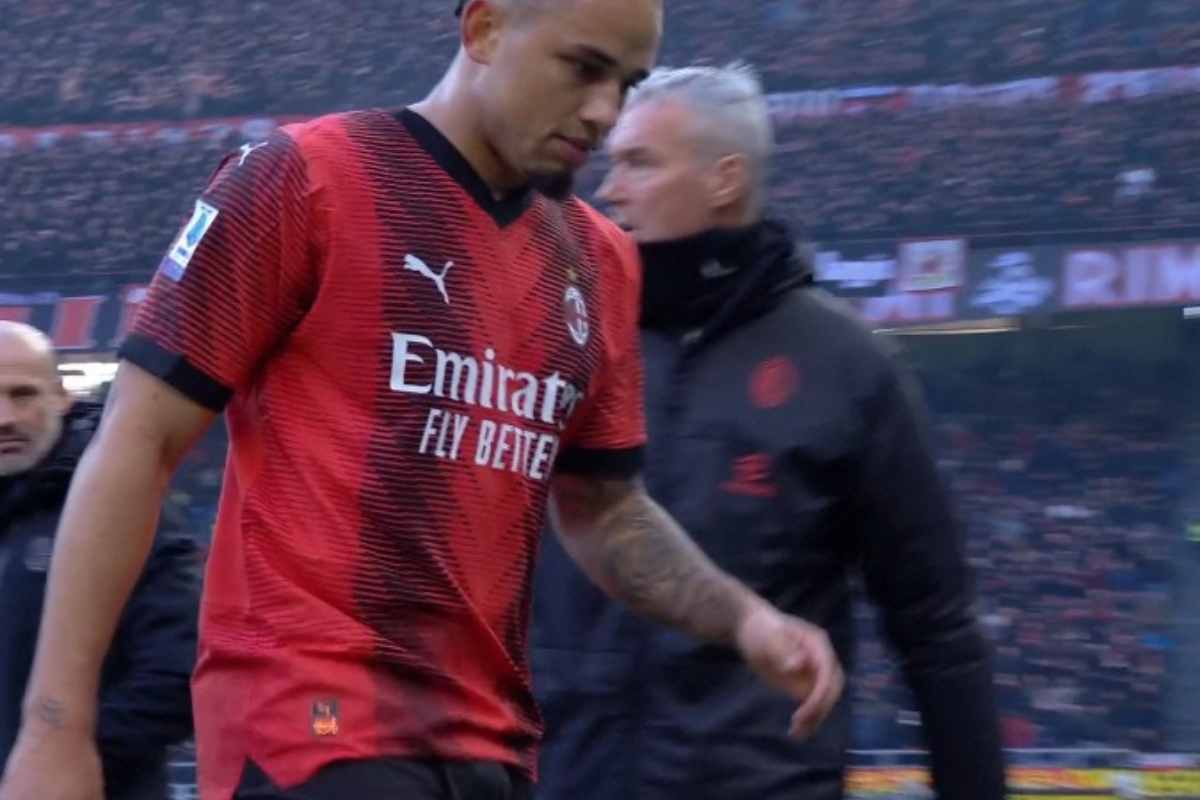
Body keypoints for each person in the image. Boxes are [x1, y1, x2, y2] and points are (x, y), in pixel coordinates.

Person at [0, 5, 844, 800]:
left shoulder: (599, 263)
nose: (603, 113)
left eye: (625, 83)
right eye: (583, 68)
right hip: (311, 725)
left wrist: (743, 618)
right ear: (484, 27)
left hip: (491, 744)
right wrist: (54, 726)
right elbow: (137, 440)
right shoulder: (301, 180)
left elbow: (605, 509)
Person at [531, 64, 1007, 800]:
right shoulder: (560, 336)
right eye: (612, 161)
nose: (610, 189)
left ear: (725, 179)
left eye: (639, 163)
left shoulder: (846, 365)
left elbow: (937, 628)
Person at [0, 322, 198, 800]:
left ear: (62, 397)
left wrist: (65, 758)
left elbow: (178, 668)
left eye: (23, 394)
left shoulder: (124, 512)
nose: (4, 417)